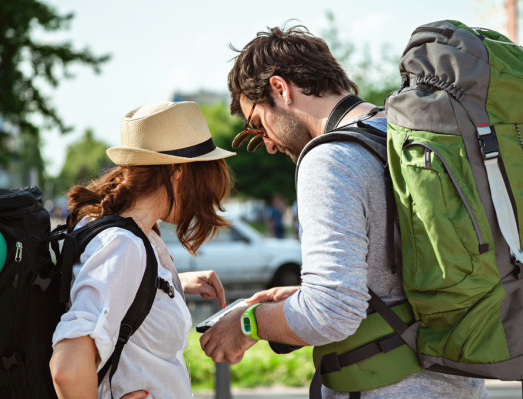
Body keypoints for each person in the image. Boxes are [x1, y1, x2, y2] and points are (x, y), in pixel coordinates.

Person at [199, 26, 489, 398]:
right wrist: (305, 297)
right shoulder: (405, 132)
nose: (268, 146)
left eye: (258, 125)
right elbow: (407, 276)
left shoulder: (329, 159)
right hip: (461, 384)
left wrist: (247, 323)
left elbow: (332, 313)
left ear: (280, 89)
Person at [50, 101, 235, 399]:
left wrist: (171, 285)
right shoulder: (123, 246)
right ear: (178, 172)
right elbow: (68, 368)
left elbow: (119, 296)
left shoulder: (127, 234)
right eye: (205, 177)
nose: (208, 195)